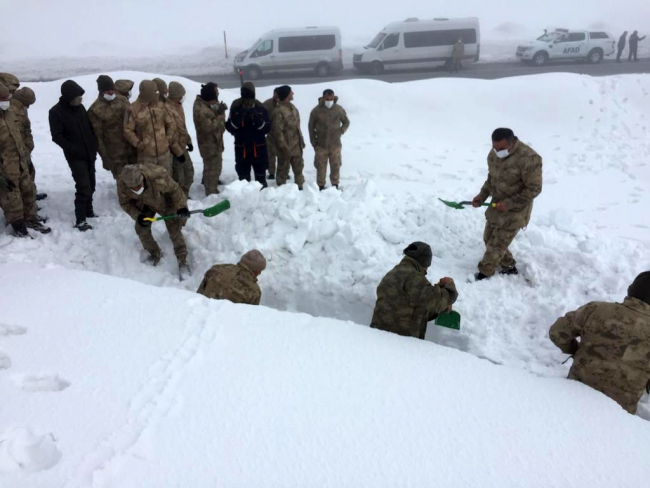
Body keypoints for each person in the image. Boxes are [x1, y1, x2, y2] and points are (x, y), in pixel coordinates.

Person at [549, 271, 650, 414]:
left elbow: (557, 333)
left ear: (631, 290)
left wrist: (574, 349)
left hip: (574, 393)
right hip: (619, 413)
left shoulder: (596, 309)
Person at [472, 128, 542, 280]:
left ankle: (485, 272)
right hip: (496, 207)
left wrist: (510, 204)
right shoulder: (494, 154)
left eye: (501, 149)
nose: (497, 152)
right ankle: (509, 266)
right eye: (495, 147)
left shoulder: (529, 158)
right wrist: (482, 196)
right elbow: (492, 179)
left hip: (516, 210)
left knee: (496, 245)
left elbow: (534, 188)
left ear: (512, 143)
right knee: (489, 238)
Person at [370, 242, 458, 339]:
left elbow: (415, 307)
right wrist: (449, 286)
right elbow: (437, 302)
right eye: (427, 266)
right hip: (398, 343)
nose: (426, 270)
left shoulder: (394, 273)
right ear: (424, 262)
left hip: (378, 337)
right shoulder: (413, 277)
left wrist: (438, 291)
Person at [118, 164, 190, 272]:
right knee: (141, 229)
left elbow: (175, 190)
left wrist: (182, 207)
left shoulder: (157, 176)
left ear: (142, 178)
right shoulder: (123, 184)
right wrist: (138, 215)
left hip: (165, 201)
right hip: (144, 205)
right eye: (133, 188)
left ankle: (182, 260)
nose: (136, 189)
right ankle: (154, 253)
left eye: (138, 186)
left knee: (174, 229)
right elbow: (125, 203)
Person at [48, 80, 99, 232]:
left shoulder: (80, 108)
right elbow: (57, 136)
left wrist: (94, 145)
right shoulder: (55, 112)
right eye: (78, 97)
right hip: (75, 156)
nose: (81, 99)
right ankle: (80, 219)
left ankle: (89, 211)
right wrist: (73, 149)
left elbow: (89, 128)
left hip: (89, 153)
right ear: (70, 97)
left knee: (91, 183)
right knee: (83, 185)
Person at [0, 83, 50, 236]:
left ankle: (31, 218)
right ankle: (18, 226)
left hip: (20, 161)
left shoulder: (9, 113)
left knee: (28, 190)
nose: (6, 101)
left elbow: (21, 135)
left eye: (7, 98)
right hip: (5, 167)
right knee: (11, 197)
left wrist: (26, 155)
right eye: (2, 99)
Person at [123, 80, 183, 174]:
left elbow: (171, 123)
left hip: (164, 155)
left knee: (166, 181)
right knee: (149, 183)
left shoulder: (161, 105)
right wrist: (140, 145)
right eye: (155, 91)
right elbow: (127, 130)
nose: (157, 93)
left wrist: (167, 140)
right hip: (146, 157)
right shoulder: (132, 109)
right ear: (148, 92)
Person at [226, 82, 271, 188]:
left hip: (258, 149)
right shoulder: (236, 106)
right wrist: (240, 115)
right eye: (245, 100)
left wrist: (255, 117)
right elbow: (230, 127)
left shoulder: (261, 107)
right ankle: (246, 200)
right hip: (242, 148)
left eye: (250, 101)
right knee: (243, 181)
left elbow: (267, 128)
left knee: (261, 179)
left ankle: (262, 198)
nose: (248, 103)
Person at [88, 75, 133, 180]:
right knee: (124, 182)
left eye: (112, 90)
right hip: (115, 154)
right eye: (108, 91)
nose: (111, 93)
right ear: (101, 91)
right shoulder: (95, 110)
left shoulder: (122, 100)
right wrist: (105, 158)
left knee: (138, 178)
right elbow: (97, 137)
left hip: (131, 149)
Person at [308, 89, 350, 191]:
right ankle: (321, 185)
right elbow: (311, 127)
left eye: (331, 99)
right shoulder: (316, 111)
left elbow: (346, 122)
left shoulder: (338, 109)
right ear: (323, 98)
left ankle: (335, 184)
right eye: (327, 99)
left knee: (336, 166)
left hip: (335, 145)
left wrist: (341, 131)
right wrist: (314, 143)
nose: (329, 100)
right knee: (321, 167)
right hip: (321, 145)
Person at [12, 87, 46, 201]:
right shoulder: (12, 111)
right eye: (28, 104)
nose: (29, 107)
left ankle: (31, 195)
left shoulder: (21, 110)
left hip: (24, 150)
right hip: (15, 151)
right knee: (22, 177)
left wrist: (28, 144)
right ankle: (26, 201)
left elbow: (26, 129)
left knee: (30, 172)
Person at [197, 250, 266, 305]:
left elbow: (197, 296)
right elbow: (250, 317)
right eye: (260, 270)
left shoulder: (216, 269)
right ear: (256, 270)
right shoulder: (254, 291)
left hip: (201, 317)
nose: (260, 273)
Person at [193, 82, 227, 195]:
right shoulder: (200, 109)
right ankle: (211, 192)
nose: (218, 93)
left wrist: (219, 109)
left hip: (215, 141)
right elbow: (207, 127)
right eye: (216, 91)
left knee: (214, 166)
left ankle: (211, 184)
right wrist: (220, 119)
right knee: (212, 167)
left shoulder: (207, 103)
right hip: (208, 144)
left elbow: (213, 109)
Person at [271, 85, 305, 190]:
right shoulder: (278, 111)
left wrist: (301, 140)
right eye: (291, 92)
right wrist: (282, 146)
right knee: (283, 170)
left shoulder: (293, 107)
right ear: (286, 95)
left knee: (299, 169)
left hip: (296, 146)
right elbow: (277, 131)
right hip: (285, 147)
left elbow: (297, 126)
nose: (293, 94)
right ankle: (282, 191)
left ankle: (300, 188)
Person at [164, 82, 194, 197]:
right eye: (181, 95)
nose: (183, 97)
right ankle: (179, 199)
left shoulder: (178, 107)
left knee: (189, 173)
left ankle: (184, 195)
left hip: (182, 146)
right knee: (179, 177)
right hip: (174, 150)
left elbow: (183, 127)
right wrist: (177, 152)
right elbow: (169, 134)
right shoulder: (167, 109)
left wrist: (189, 141)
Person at [263, 88, 281, 180]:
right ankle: (271, 172)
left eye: (278, 95)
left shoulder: (284, 104)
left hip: (282, 134)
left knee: (282, 154)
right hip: (271, 133)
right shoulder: (267, 104)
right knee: (271, 154)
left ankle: (282, 172)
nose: (276, 97)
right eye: (275, 95)